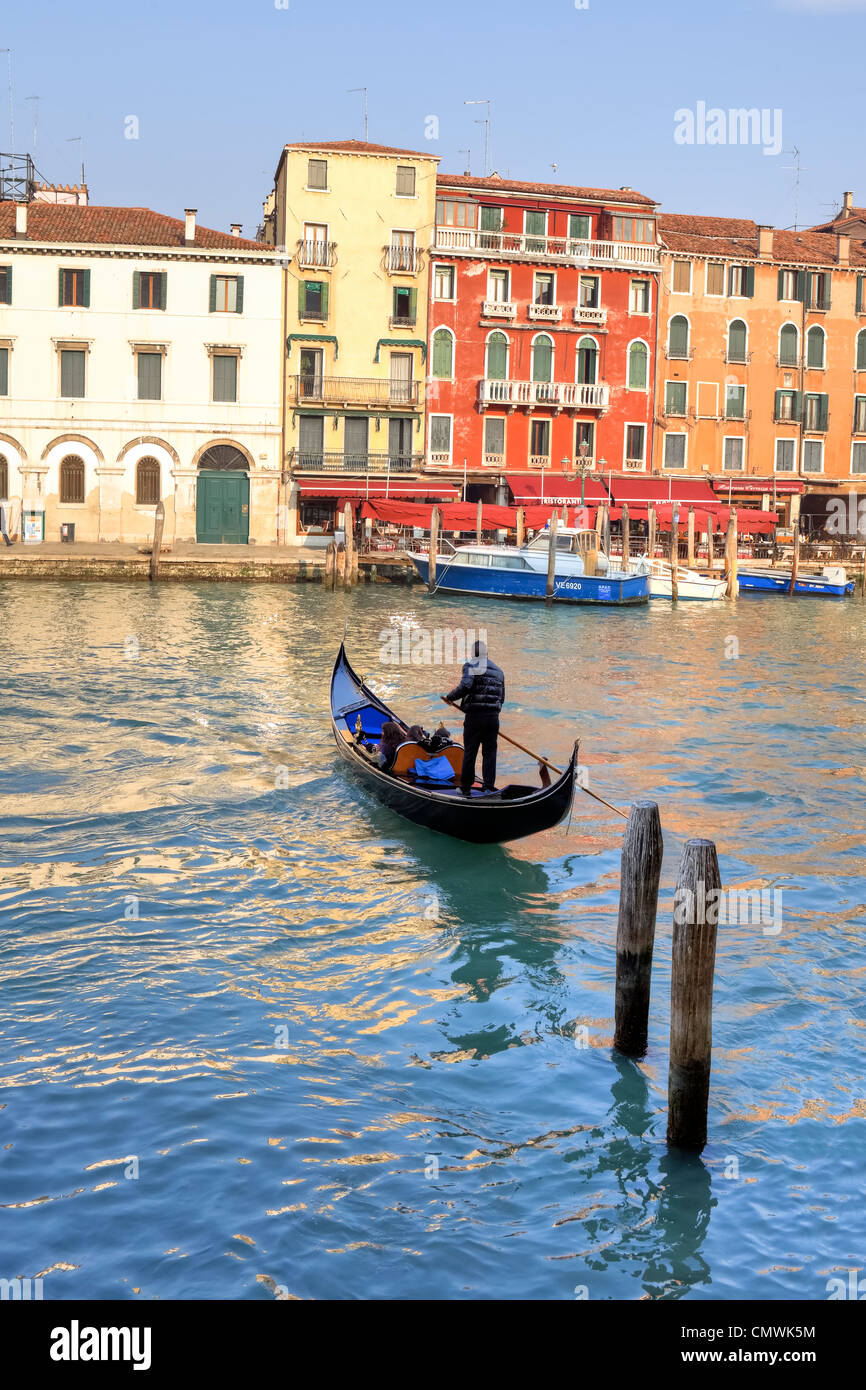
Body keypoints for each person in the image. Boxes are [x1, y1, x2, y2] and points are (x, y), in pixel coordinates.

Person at [443, 640, 505, 795]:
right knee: (489, 753)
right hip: (493, 718)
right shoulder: (499, 671)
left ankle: (465, 788)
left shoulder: (471, 666)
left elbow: (465, 686)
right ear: (486, 654)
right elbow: (501, 698)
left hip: (475, 717)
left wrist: (450, 697)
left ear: (473, 654)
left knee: (470, 752)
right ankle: (489, 787)